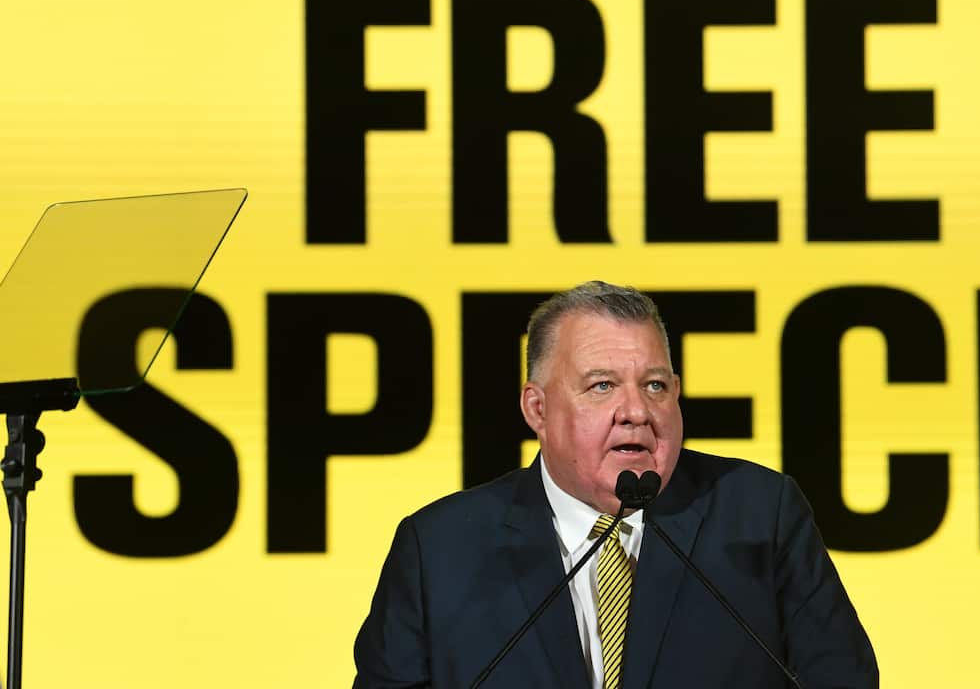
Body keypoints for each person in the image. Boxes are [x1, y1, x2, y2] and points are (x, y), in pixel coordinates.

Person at [353, 281, 878, 688]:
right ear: (537, 408)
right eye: (601, 386)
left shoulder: (760, 516)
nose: (636, 412)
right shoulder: (439, 549)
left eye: (654, 385)